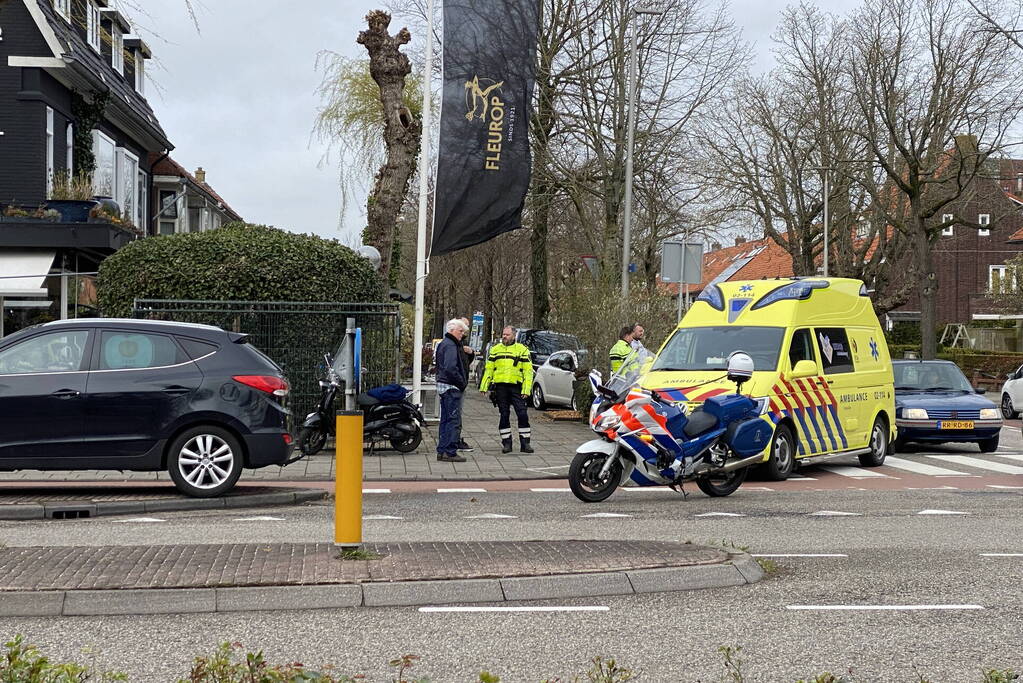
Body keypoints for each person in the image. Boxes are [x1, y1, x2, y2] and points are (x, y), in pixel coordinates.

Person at [480, 326, 534, 453]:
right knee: (504, 415)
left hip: (516, 387)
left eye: (507, 335)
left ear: (514, 336)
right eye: (503, 334)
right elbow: (489, 369)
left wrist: (526, 390)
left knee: (522, 414)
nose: (504, 336)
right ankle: (507, 443)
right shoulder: (495, 350)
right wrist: (484, 386)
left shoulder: (522, 350)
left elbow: (528, 372)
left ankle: (525, 443)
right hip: (500, 387)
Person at [435, 319, 470, 463]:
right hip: (451, 387)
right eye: (460, 331)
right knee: (453, 420)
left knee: (445, 420)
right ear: (452, 330)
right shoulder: (451, 346)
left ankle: (442, 450)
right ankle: (450, 451)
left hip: (444, 386)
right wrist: (461, 383)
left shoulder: (445, 343)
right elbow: (451, 368)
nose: (462, 334)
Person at [456, 317, 476, 453]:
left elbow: (466, 362)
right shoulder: (454, 344)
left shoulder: (462, 342)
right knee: (454, 414)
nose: (466, 330)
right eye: (464, 327)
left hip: (461, 382)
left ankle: (455, 439)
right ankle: (454, 441)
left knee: (456, 414)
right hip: (457, 384)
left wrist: (471, 353)